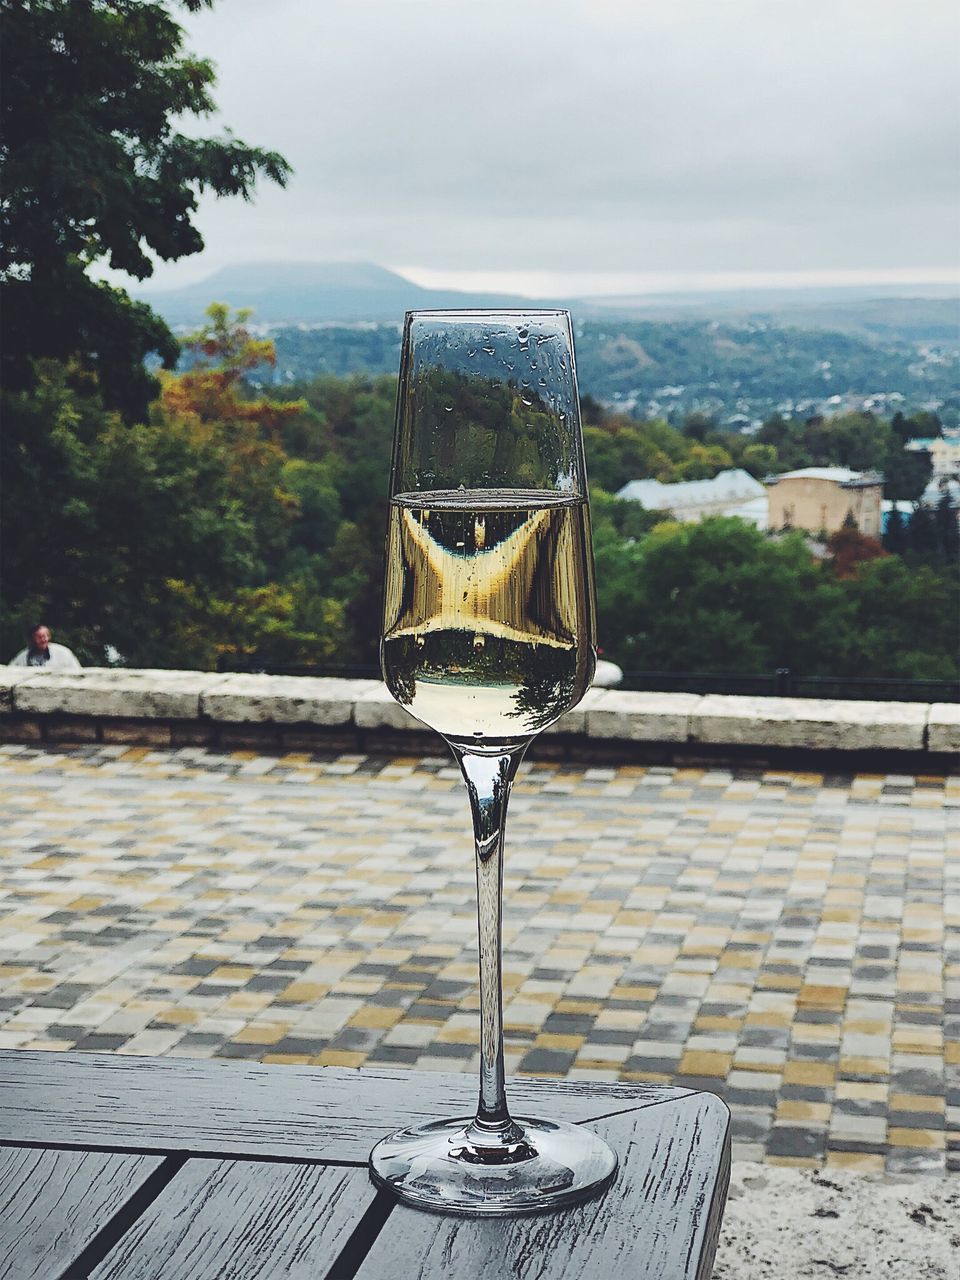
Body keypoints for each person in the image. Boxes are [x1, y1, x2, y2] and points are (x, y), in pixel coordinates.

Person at [7, 623, 81, 670]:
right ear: (32, 639)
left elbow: (77, 673)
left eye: (45, 636)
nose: (43, 640)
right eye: (39, 637)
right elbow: (11, 672)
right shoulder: (23, 657)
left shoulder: (63, 653)